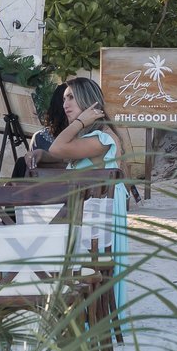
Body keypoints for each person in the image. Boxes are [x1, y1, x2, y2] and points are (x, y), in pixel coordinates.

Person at [39, 76, 128, 257]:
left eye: (71, 97)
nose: (65, 104)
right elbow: (65, 154)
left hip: (96, 222)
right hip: (86, 214)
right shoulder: (92, 137)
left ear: (88, 100)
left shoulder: (101, 139)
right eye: (64, 99)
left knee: (34, 239)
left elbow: (57, 148)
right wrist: (43, 156)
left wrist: (80, 122)